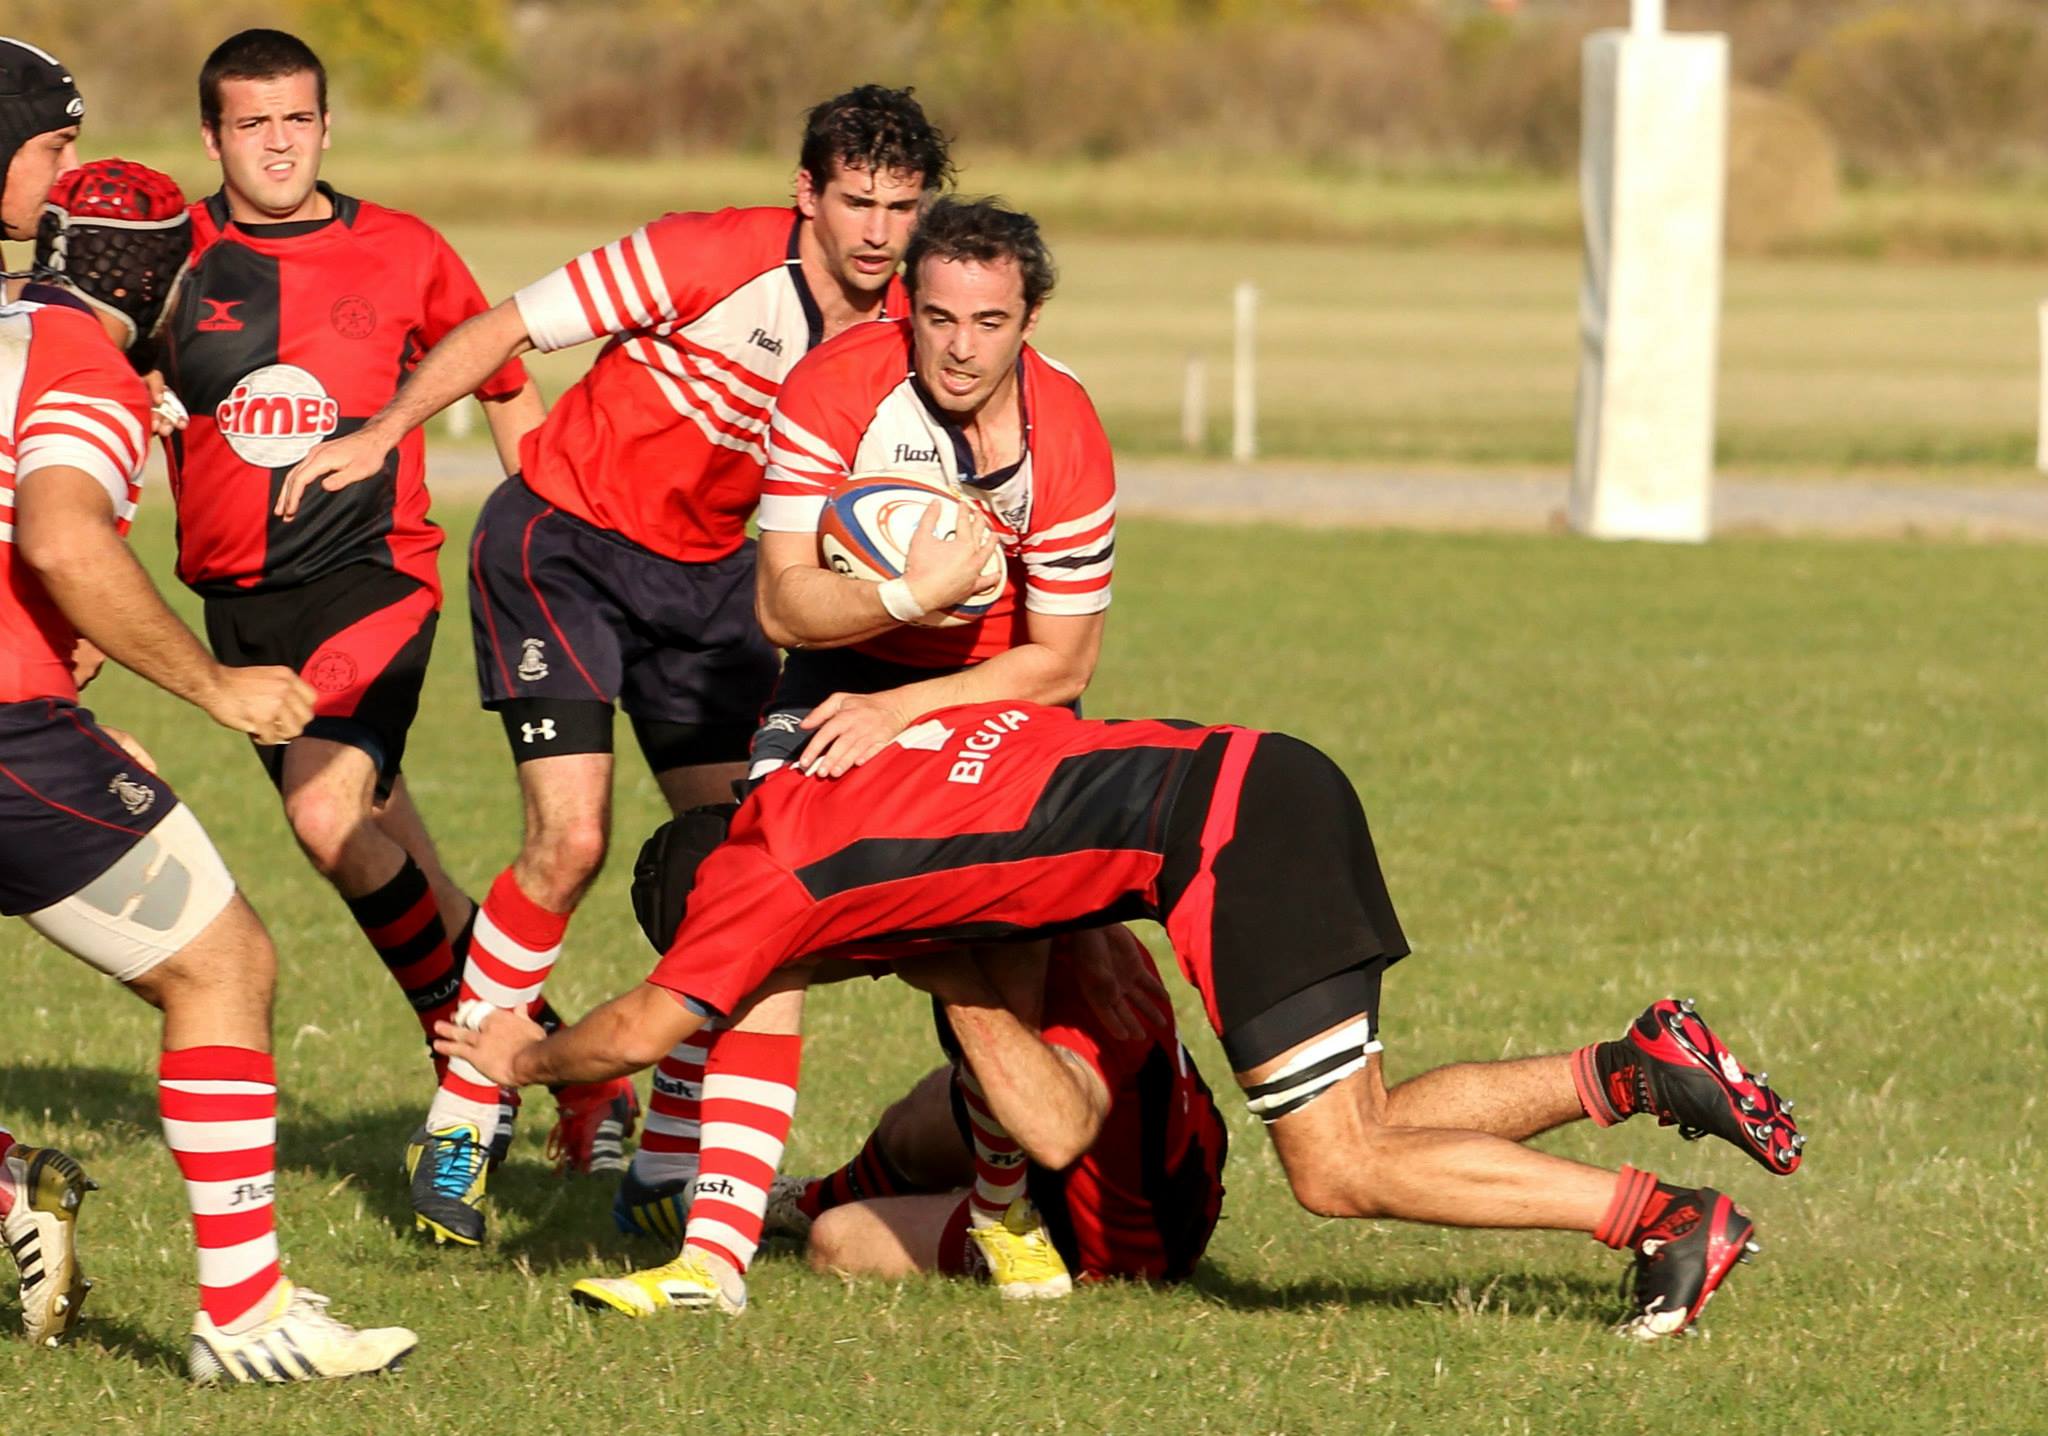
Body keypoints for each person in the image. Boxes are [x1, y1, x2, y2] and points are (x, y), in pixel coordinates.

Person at [439, 700, 1804, 1338]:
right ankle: (1629, 1068)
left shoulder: (759, 882)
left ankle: (1662, 1221)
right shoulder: (839, 775)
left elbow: (638, 1032)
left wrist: (523, 1056)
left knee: (1334, 1172)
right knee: (1360, 1127)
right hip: (1266, 773)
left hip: (1220, 843)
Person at [277, 85, 952, 1246]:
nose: (878, 232)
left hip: (714, 588)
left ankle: (668, 1155)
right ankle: (462, 1116)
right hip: (563, 544)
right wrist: (380, 433)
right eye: (855, 201)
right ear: (808, 191)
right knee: (570, 840)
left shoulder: (907, 325)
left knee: (732, 867)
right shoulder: (702, 255)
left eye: (901, 205)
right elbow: (501, 330)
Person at [617, 194, 1122, 1305]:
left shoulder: (1070, 433)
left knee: (1006, 947)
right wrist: (907, 594)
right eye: (937, 315)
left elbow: (1064, 663)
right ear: (909, 305)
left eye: (987, 321)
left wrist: (915, 709)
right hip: (839, 669)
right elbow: (785, 609)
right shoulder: (835, 386)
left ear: (1028, 315)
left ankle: (995, 1215)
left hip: (1001, 685)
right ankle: (711, 1255)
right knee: (766, 918)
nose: (957, 344)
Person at [0, 92, 413, 1378]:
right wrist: (212, 687)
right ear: (168, 283)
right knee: (221, 966)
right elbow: (62, 535)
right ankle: (242, 1311)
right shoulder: (89, 367)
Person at [152, 30, 595, 1204]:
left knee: (323, 811)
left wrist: (547, 535)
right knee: (401, 864)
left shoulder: (402, 249)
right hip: (237, 610)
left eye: (298, 118)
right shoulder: (171, 258)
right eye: (253, 123)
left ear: (328, 125)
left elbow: (501, 378)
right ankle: (570, 1068)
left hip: (374, 581)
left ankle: (469, 1075)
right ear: (213, 138)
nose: (279, 142)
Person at [573, 929, 1228, 1314]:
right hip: (1164, 1141)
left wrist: (946, 977)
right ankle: (804, 1196)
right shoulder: (1058, 913)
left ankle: (990, 1219)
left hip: (1118, 1237)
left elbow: (1057, 1132)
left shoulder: (1066, 983)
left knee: (838, 1242)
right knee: (921, 1114)